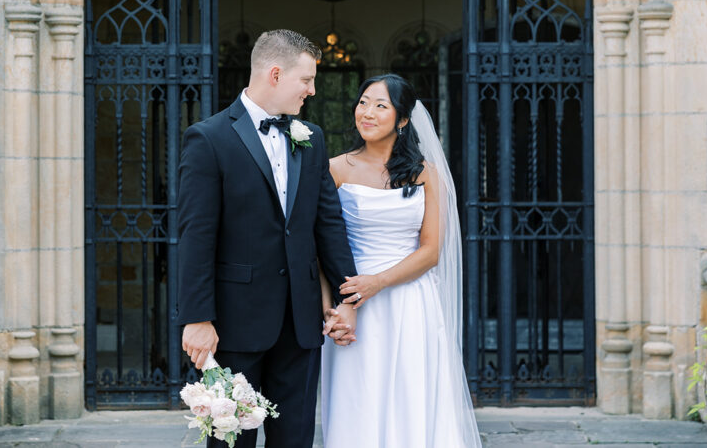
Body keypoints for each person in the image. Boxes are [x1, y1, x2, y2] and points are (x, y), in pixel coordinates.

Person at [176, 29, 358, 448]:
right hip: (234, 324)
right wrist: (197, 318)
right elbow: (196, 235)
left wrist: (347, 299)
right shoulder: (209, 138)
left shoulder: (310, 140)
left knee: (294, 438)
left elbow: (327, 224)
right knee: (232, 440)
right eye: (307, 80)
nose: (311, 90)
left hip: (300, 323)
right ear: (275, 74)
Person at [320, 74, 482, 448]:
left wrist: (377, 282)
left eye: (381, 105)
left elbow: (430, 251)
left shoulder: (426, 174)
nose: (368, 112)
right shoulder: (334, 168)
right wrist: (333, 308)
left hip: (409, 299)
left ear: (403, 119)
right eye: (363, 102)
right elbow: (322, 245)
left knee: (412, 395)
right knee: (356, 397)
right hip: (353, 304)